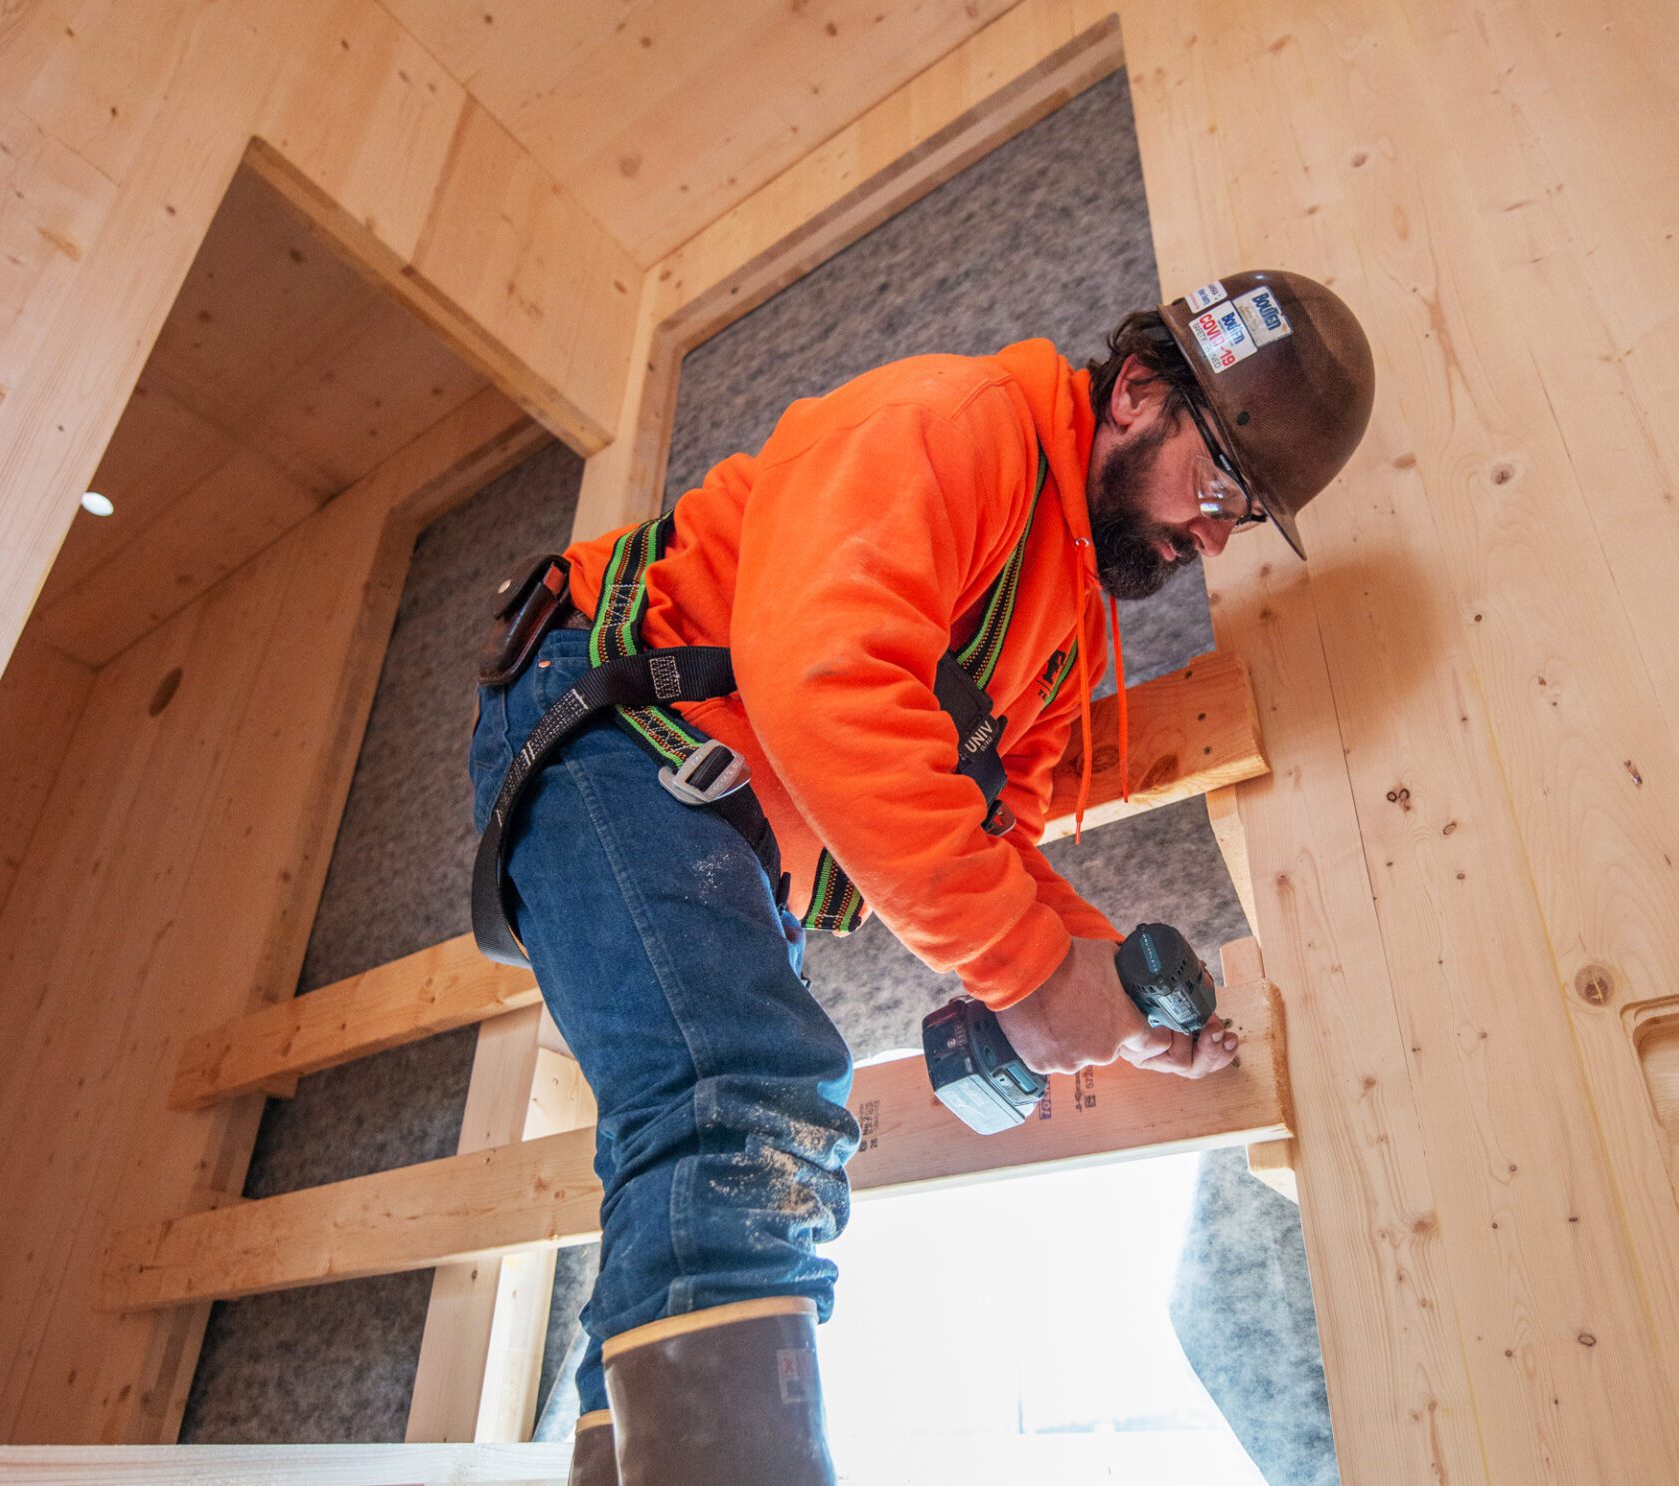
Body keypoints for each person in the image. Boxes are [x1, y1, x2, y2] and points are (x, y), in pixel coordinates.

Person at [466, 269, 1374, 1485]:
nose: (1212, 537)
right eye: (1217, 486)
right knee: (746, 1099)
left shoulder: (1063, 628)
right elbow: (823, 680)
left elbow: (996, 837)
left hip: (712, 804)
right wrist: (1031, 974)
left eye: (1242, 517)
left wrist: (1110, 992)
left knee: (694, 1159)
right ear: (1137, 393)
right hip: (611, 717)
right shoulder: (957, 428)